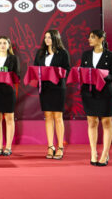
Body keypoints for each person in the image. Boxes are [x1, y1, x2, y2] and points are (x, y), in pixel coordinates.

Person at [81, 29, 112, 166]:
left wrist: (101, 76)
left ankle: (105, 154)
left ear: (101, 39)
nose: (89, 39)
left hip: (105, 93)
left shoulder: (111, 55)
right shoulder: (85, 55)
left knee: (106, 122)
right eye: (89, 37)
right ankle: (93, 152)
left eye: (92, 37)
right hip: (88, 93)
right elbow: (82, 72)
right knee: (92, 122)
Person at [33, 29, 70, 160]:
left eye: (49, 37)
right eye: (45, 37)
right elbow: (35, 68)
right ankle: (50, 146)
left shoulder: (63, 53)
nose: (46, 40)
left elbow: (67, 70)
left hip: (58, 87)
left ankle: (60, 147)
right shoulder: (40, 53)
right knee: (48, 116)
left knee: (58, 117)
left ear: (55, 38)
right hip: (44, 88)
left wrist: (56, 73)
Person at [0, 36, 20, 156]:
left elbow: (18, 76)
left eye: (4, 43)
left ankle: (8, 147)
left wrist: (7, 76)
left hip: (8, 92)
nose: (2, 45)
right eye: (0, 43)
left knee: (9, 118)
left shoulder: (14, 58)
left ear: (8, 45)